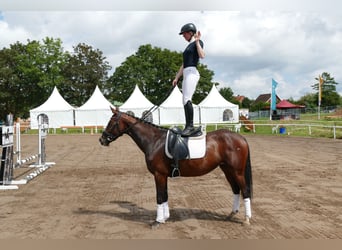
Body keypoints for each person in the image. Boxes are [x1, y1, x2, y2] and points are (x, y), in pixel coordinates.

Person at [172, 23, 205, 136]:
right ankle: (188, 126)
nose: (183, 36)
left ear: (190, 33)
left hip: (192, 72)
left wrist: (197, 41)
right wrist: (177, 77)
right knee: (184, 100)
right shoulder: (188, 47)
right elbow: (183, 64)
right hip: (186, 72)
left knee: (187, 99)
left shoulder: (197, 42)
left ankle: (190, 126)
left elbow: (202, 55)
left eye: (184, 33)